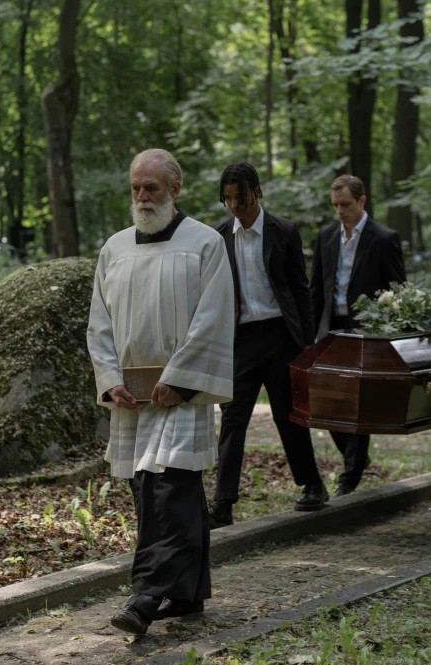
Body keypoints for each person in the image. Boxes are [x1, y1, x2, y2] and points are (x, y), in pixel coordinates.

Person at [87, 148, 234, 636]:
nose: (143, 197)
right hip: (132, 398)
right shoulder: (114, 248)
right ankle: (188, 593)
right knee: (151, 490)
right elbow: (99, 325)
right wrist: (110, 381)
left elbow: (213, 317)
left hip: (179, 394)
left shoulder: (205, 243)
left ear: (176, 188)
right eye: (135, 188)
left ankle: (145, 597)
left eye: (152, 187)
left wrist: (180, 379)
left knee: (169, 488)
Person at [208, 162, 328, 530]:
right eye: (227, 199)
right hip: (240, 340)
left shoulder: (284, 231)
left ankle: (312, 485)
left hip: (280, 337)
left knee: (287, 415)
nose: (233, 207)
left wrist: (306, 346)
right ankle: (223, 503)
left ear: (257, 191)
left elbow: (300, 290)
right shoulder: (217, 237)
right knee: (232, 420)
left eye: (240, 198)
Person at [310, 174, 406, 497]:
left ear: (362, 201)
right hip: (331, 328)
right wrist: (312, 334)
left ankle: (349, 477)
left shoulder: (383, 238)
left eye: (346, 204)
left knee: (356, 403)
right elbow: (316, 289)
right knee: (325, 403)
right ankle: (358, 458)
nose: (340, 211)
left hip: (365, 331)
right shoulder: (325, 237)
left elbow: (398, 290)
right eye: (335, 205)